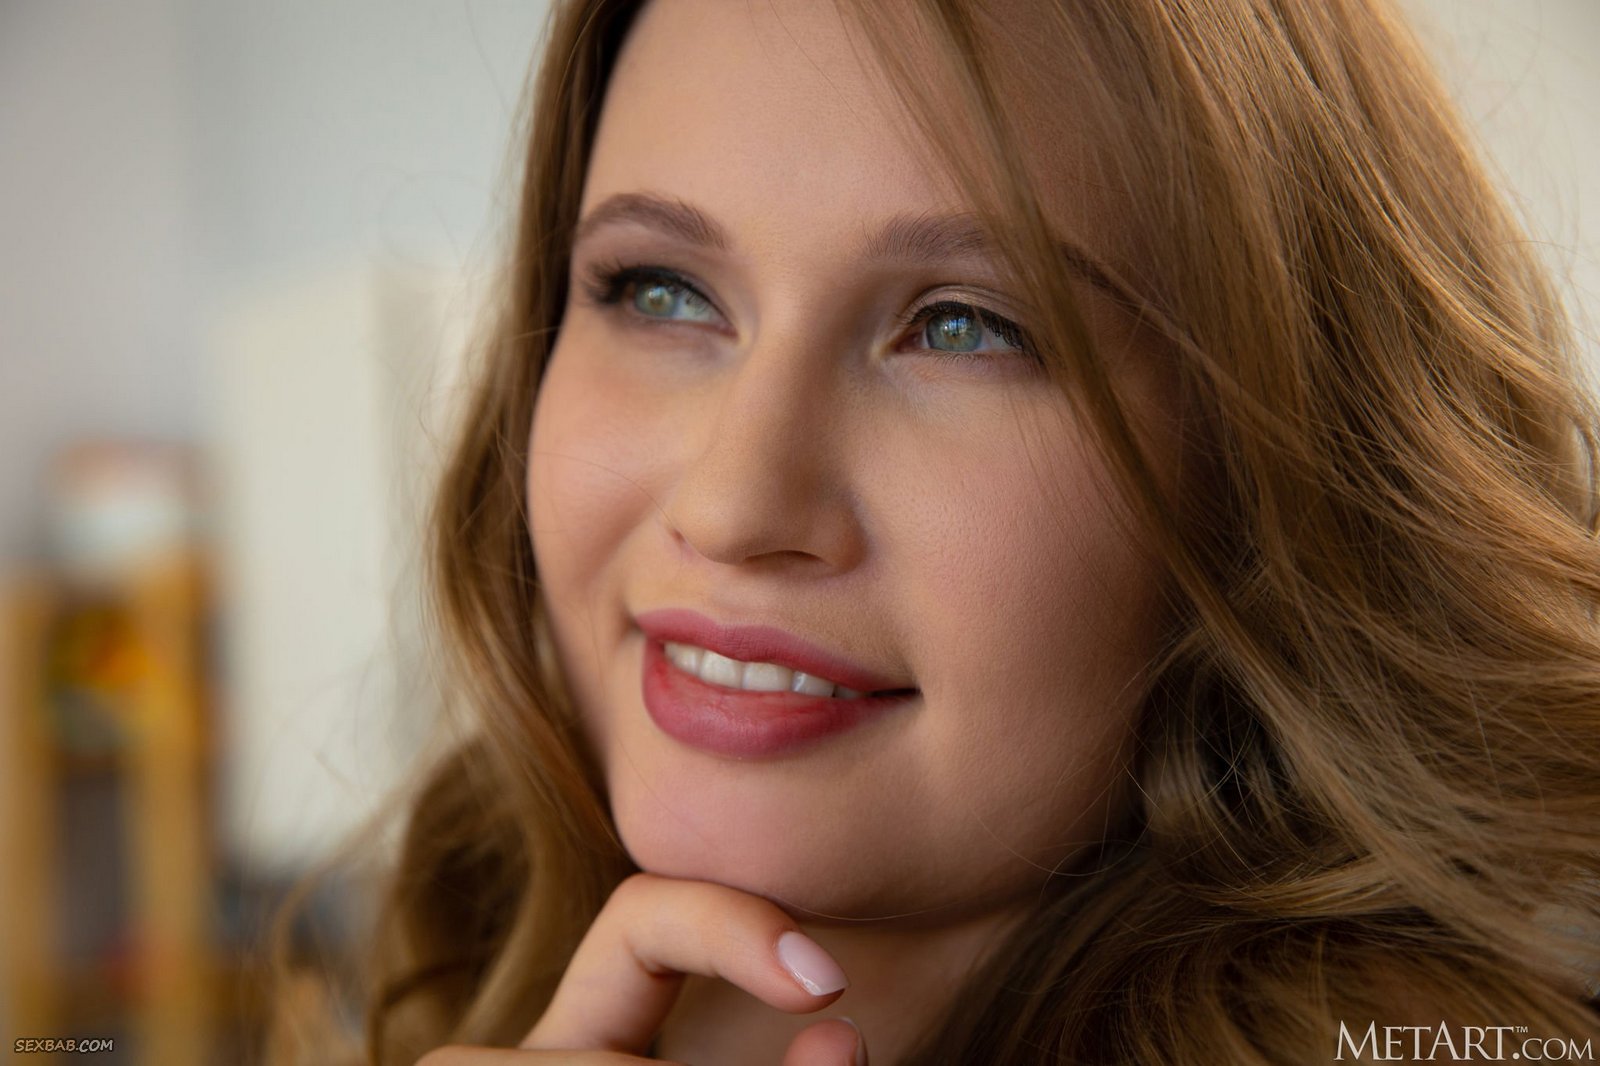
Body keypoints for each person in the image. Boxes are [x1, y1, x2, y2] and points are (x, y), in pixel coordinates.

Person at [265, 0, 1600, 1062]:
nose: (733, 508)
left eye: (963, 325)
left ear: (1262, 472)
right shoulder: (434, 965)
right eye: (661, 290)